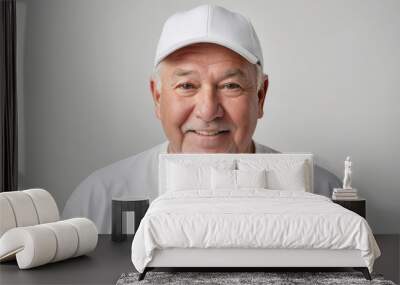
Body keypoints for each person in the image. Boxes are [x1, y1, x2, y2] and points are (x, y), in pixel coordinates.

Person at [62, 4, 341, 233]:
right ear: (157, 97)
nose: (208, 111)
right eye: (186, 86)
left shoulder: (323, 194)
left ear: (260, 96)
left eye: (230, 85)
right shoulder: (96, 202)